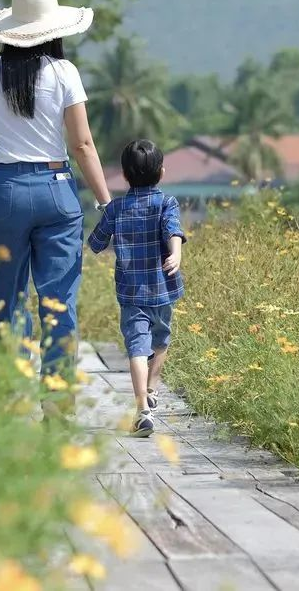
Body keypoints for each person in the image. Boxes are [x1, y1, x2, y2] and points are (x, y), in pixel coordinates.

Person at [0, 0, 111, 404]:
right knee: (58, 300)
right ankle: (56, 401)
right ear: (54, 30)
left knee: (7, 298)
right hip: (55, 191)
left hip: (5, 189)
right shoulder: (64, 73)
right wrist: (106, 201)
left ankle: (10, 397)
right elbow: (82, 145)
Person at [88, 140, 186, 438]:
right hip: (164, 288)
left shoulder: (116, 208)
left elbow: (95, 244)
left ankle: (143, 408)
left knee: (136, 347)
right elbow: (173, 230)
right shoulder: (166, 203)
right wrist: (176, 254)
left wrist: (105, 215)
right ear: (162, 172)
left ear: (125, 176)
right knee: (162, 338)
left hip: (131, 292)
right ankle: (153, 387)